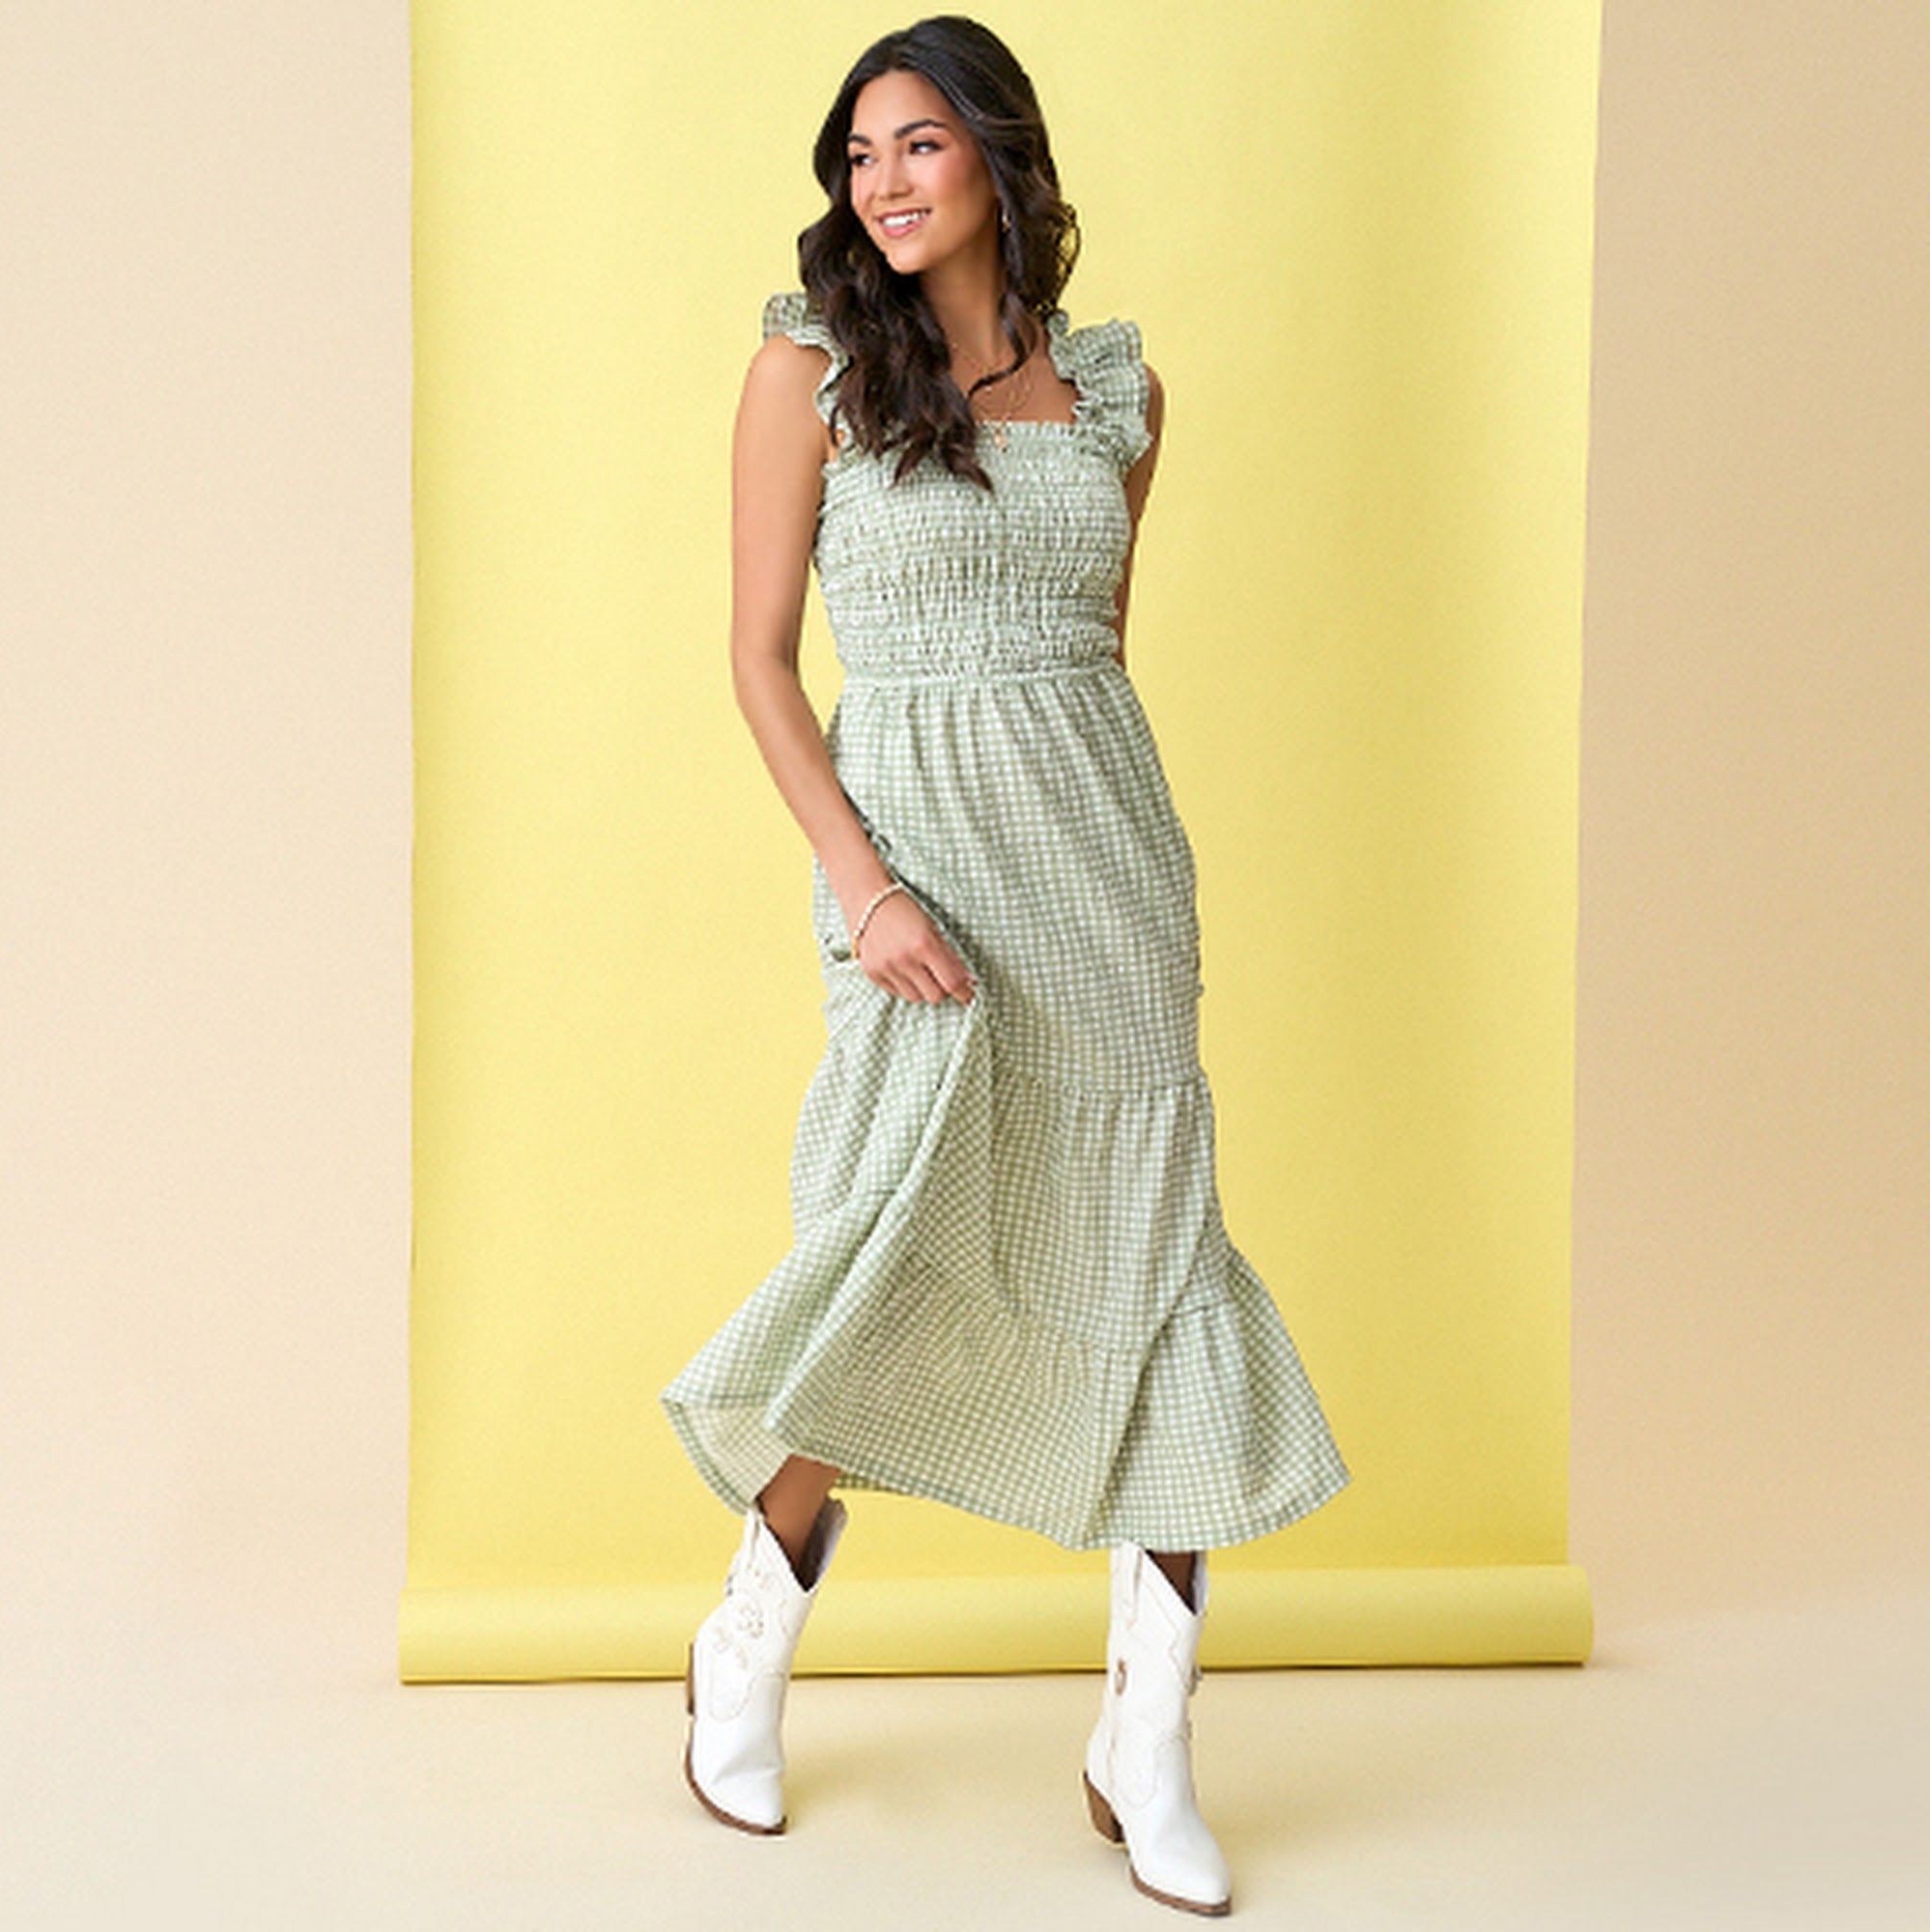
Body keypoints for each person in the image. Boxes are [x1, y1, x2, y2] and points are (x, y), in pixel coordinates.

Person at [659, 14, 1349, 1916]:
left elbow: (1095, 652)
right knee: (890, 1246)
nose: (881, 182)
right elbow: (758, 663)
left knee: (1160, 1268)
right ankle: (745, 1640)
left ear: (998, 157)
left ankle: (1149, 1738)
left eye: (917, 144)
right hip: (912, 881)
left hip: (1105, 878)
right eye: (858, 154)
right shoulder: (806, 371)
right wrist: (864, 886)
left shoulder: (1115, 392)